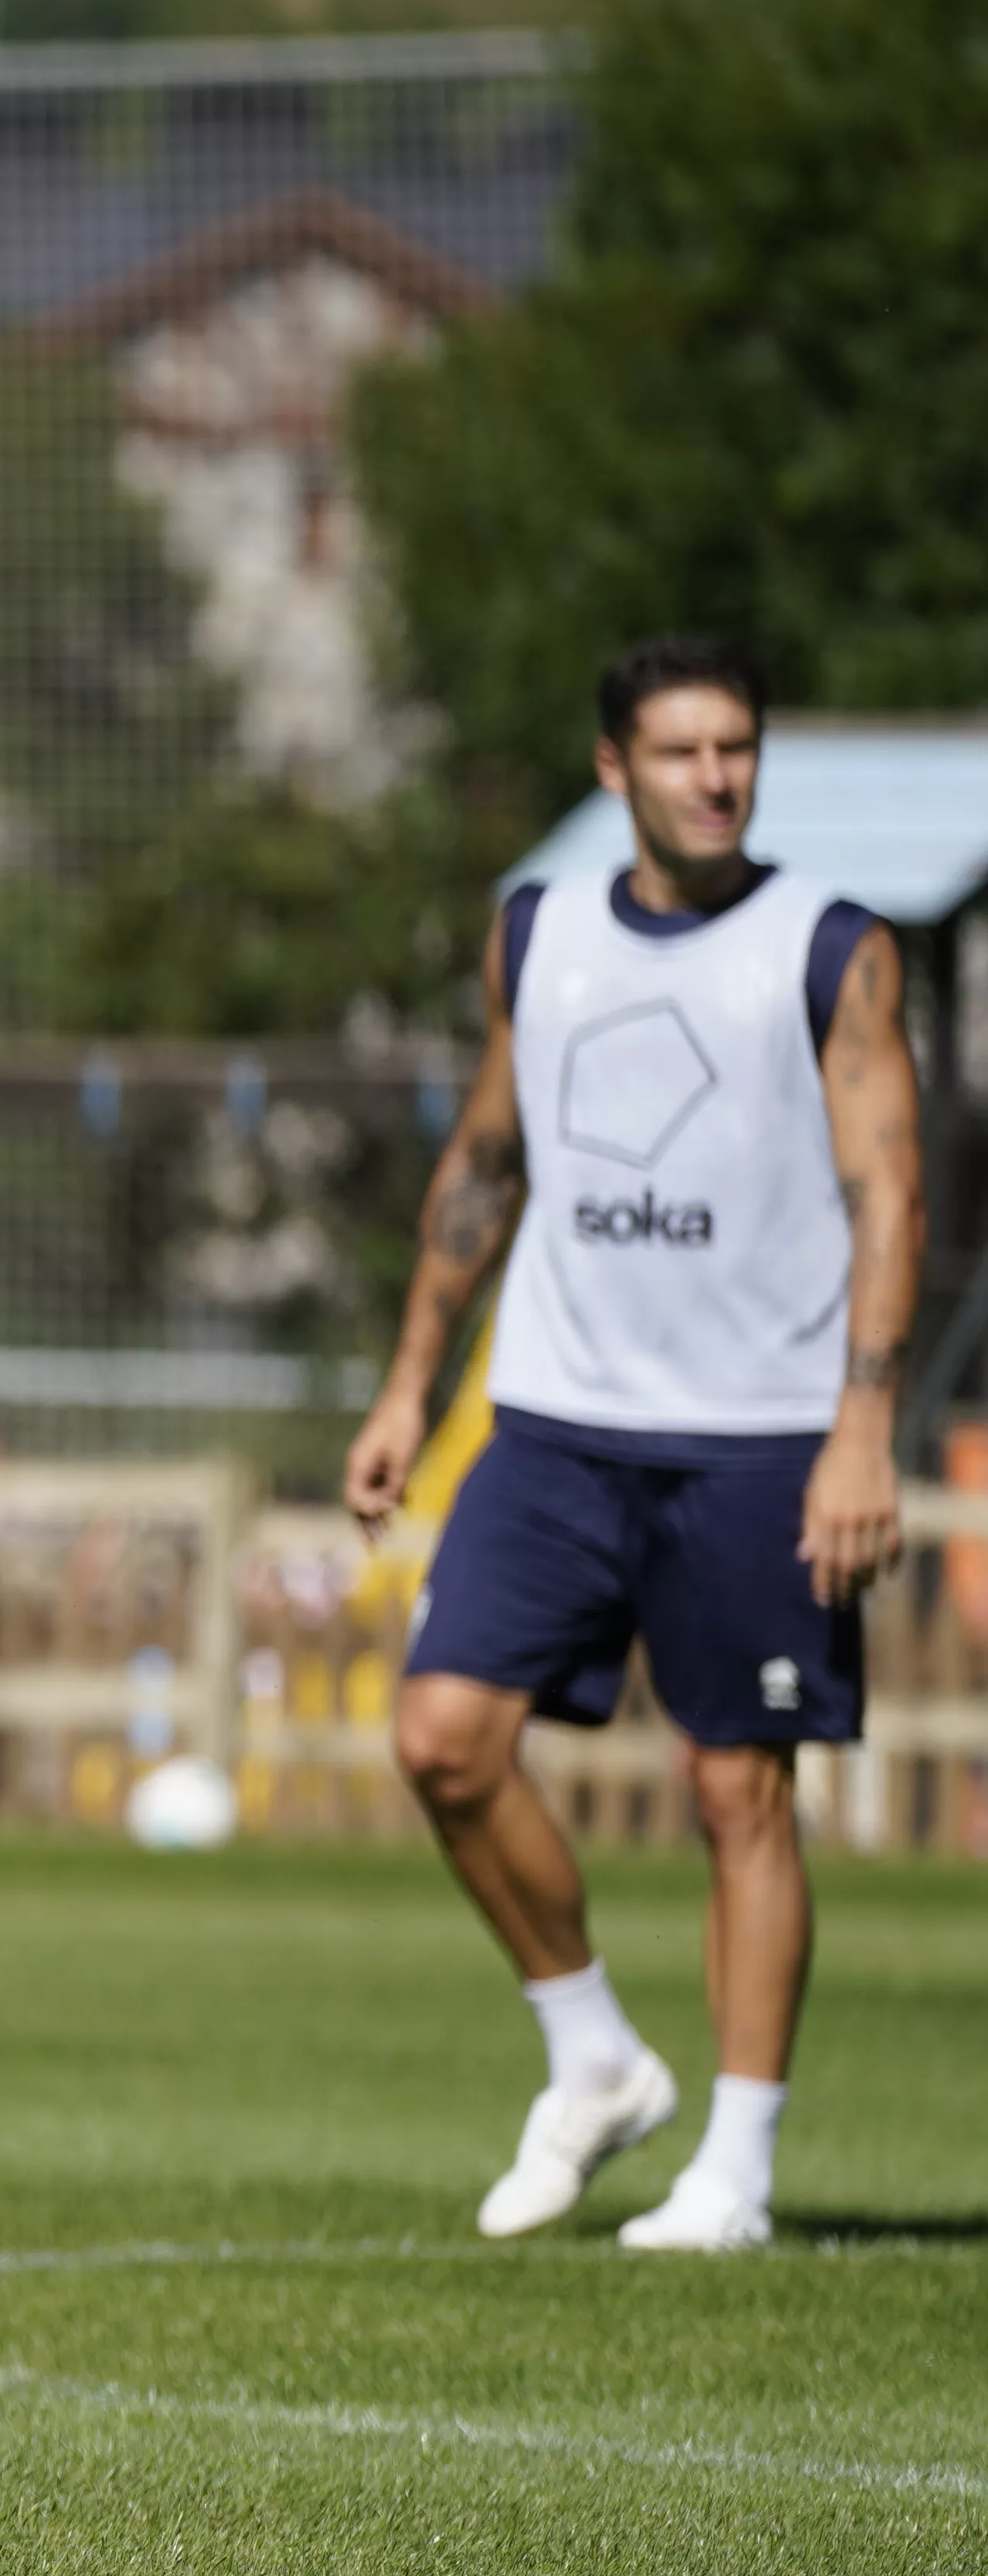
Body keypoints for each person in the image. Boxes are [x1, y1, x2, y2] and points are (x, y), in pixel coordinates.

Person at [342, 637, 923, 2251]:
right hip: (551, 1422)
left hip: (754, 1442)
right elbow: (482, 1161)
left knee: (740, 1791)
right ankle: (591, 2055)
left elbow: (891, 1189)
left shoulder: (828, 946)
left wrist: (860, 1427)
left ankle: (730, 2172)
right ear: (613, 771)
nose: (713, 778)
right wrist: (406, 1386)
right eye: (678, 752)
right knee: (442, 1738)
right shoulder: (534, 934)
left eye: (734, 748)